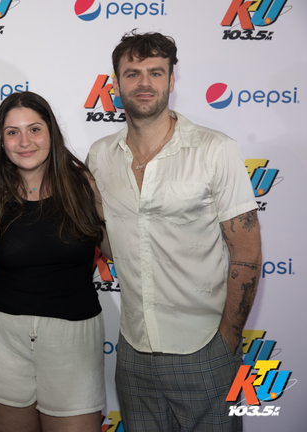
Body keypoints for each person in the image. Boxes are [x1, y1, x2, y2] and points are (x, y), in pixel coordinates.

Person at [86, 30, 262, 431]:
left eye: (155, 72)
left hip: (205, 347)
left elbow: (247, 252)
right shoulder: (100, 156)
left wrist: (227, 341)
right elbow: (110, 243)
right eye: (132, 73)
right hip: (132, 351)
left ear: (171, 81)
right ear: (115, 84)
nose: (143, 82)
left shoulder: (215, 150)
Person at [0, 91, 109, 432]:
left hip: (73, 340)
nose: (24, 141)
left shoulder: (83, 185)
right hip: (0, 336)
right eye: (12, 132)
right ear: (1, 142)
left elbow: (117, 247)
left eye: (34, 129)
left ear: (51, 133)